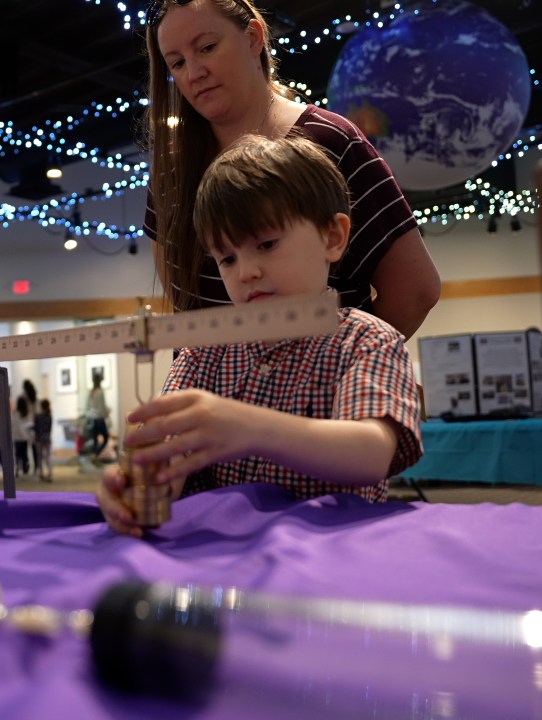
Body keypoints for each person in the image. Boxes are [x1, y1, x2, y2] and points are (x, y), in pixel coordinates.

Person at [98, 134, 423, 538]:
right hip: (225, 559)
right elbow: (169, 455)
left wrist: (250, 428)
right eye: (227, 258)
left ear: (333, 237)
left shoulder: (366, 340)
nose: (245, 272)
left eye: (266, 244)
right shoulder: (205, 354)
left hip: (334, 555)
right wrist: (139, 486)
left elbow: (373, 452)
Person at [143, 0, 439, 339]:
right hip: (207, 385)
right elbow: (185, 304)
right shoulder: (171, 167)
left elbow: (416, 291)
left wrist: (349, 365)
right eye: (177, 63)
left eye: (207, 48)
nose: (194, 73)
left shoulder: (333, 141)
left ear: (253, 38)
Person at [84, 371, 111, 462]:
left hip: (93, 419)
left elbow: (88, 407)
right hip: (100, 419)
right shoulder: (100, 392)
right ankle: (95, 455)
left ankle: (94, 455)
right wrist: (107, 415)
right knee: (105, 438)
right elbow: (102, 407)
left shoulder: (91, 392)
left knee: (95, 440)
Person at [20, 379, 40, 472]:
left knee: (24, 446)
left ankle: (26, 466)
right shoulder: (35, 397)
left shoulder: (24, 398)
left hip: (26, 423)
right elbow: (37, 411)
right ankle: (36, 466)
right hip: (34, 423)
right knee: (34, 447)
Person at [33, 398, 53, 482]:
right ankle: (49, 471)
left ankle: (41, 473)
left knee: (40, 456)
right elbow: (49, 428)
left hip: (39, 438)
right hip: (47, 437)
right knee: (48, 456)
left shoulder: (38, 416)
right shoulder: (49, 416)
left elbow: (36, 428)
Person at [11, 395, 32, 476]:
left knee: (17, 454)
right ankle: (24, 468)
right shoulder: (26, 413)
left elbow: (13, 424)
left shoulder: (15, 413)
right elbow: (29, 425)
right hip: (24, 437)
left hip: (17, 437)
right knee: (24, 454)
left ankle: (17, 468)